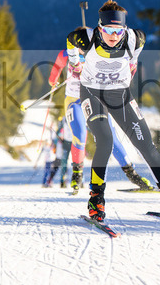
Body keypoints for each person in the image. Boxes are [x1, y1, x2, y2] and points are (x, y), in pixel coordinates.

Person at [66, 1, 160, 221]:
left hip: (120, 94)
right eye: (109, 30)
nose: (114, 36)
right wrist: (75, 64)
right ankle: (96, 197)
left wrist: (132, 65)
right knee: (105, 140)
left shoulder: (136, 38)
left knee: (145, 144)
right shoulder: (85, 38)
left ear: (124, 29)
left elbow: (134, 57)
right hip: (92, 93)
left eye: (118, 31)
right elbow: (70, 41)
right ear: (99, 27)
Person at [48, 47, 152, 193]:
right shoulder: (66, 54)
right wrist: (54, 81)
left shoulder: (99, 52)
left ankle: (133, 176)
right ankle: (77, 175)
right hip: (74, 101)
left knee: (110, 138)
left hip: (95, 100)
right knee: (80, 135)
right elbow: (55, 71)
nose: (82, 46)